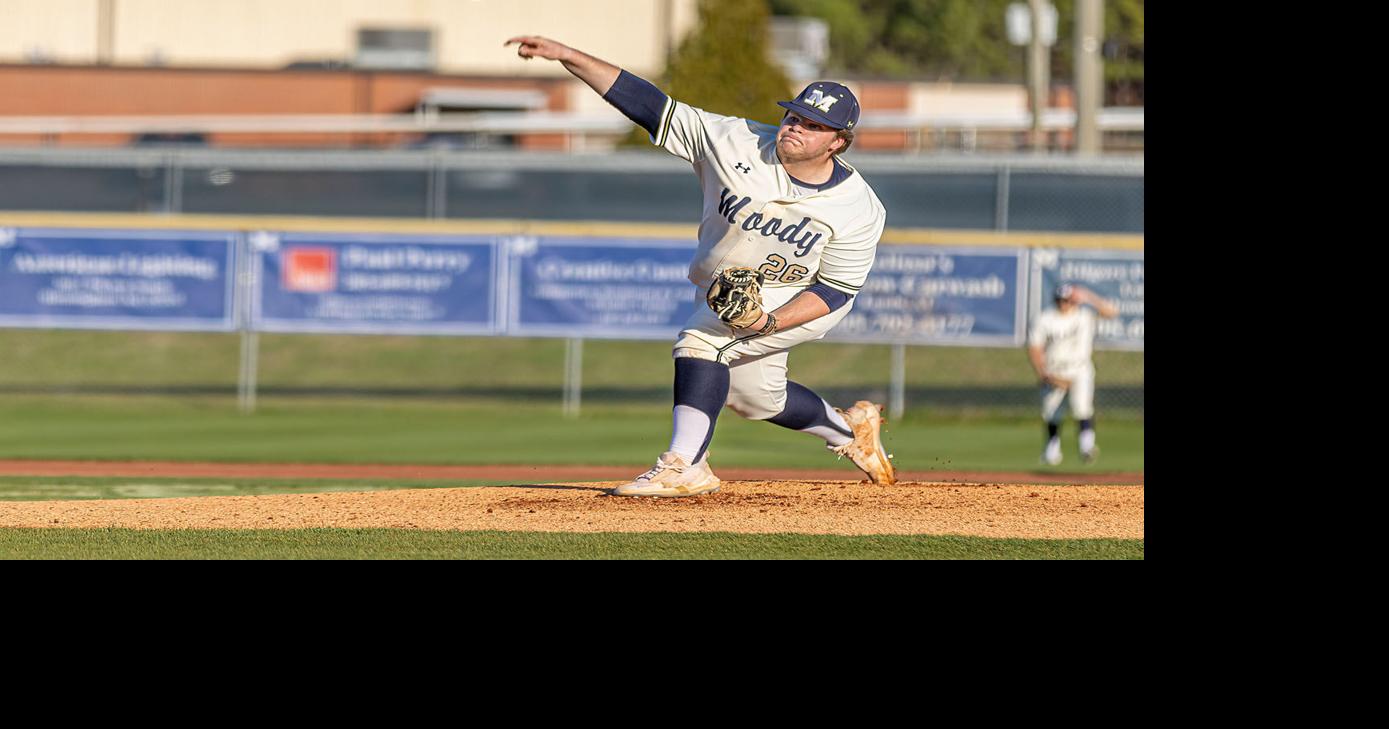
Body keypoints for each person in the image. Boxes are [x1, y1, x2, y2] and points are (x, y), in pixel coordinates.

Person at [504, 35, 895, 497]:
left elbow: (834, 290)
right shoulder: (736, 140)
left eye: (813, 125)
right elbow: (649, 104)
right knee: (756, 398)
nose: (795, 126)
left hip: (800, 300)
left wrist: (770, 320)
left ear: (838, 142)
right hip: (723, 288)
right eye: (794, 115)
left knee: (703, 341)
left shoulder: (858, 208)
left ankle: (684, 465)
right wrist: (569, 56)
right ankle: (852, 434)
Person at [1027, 283, 1120, 465]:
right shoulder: (1045, 319)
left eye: (1068, 300)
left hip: (1080, 368)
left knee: (1082, 406)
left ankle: (1087, 447)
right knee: (1051, 412)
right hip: (1054, 370)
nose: (1065, 304)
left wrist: (1087, 296)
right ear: (1056, 300)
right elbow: (1035, 348)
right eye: (1061, 300)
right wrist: (1044, 374)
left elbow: (1111, 312)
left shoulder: (1084, 316)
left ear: (1074, 301)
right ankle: (1051, 451)